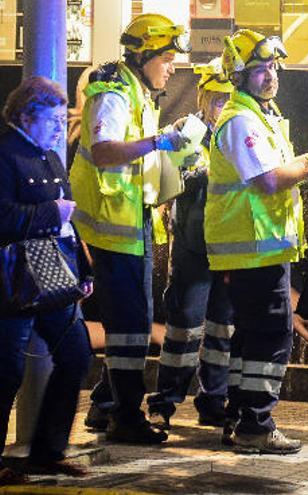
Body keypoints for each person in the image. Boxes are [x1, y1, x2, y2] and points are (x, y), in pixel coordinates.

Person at [205, 29, 308, 454]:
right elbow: (268, 180)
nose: (271, 75)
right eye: (261, 69)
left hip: (257, 248)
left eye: (274, 67)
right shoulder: (241, 119)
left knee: (250, 337)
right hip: (252, 249)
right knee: (272, 336)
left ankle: (240, 418)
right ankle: (256, 425)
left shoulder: (260, 115)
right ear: (239, 76)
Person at [70, 13, 191, 444]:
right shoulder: (115, 93)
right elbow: (105, 151)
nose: (173, 66)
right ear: (143, 55)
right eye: (167, 57)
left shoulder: (136, 91)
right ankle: (125, 416)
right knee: (130, 325)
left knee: (132, 323)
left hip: (127, 222)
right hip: (111, 227)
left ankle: (106, 408)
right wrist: (160, 142)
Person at [0, 76, 93, 483]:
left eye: (62, 118)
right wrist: (48, 215)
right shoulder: (5, 155)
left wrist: (84, 271)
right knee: (5, 372)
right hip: (12, 274)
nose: (61, 127)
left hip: (53, 267)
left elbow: (67, 225)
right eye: (53, 119)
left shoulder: (50, 157)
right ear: (25, 115)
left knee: (76, 355)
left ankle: (48, 451)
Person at [146, 58, 236, 431]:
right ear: (203, 98)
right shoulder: (189, 130)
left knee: (222, 328)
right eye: (216, 99)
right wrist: (211, 172)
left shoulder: (244, 129)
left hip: (230, 244)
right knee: (184, 327)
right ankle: (164, 402)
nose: (222, 107)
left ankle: (213, 400)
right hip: (194, 245)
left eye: (227, 100)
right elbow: (178, 176)